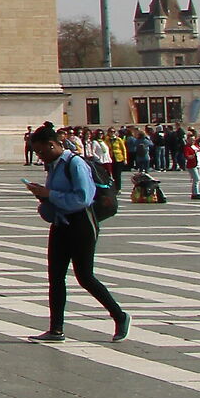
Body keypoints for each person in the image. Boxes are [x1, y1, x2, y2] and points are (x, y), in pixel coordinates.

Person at [23, 123, 128, 343]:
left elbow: (83, 198)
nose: (40, 156)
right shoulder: (53, 166)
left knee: (85, 276)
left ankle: (119, 316)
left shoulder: (75, 163)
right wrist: (43, 198)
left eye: (41, 151)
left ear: (52, 145)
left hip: (82, 224)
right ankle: (56, 329)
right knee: (55, 277)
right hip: (61, 223)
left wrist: (50, 194)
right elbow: (56, 197)